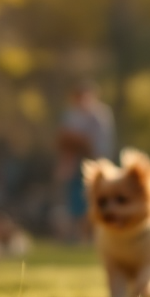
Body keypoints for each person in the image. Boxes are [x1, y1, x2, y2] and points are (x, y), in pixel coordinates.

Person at [58, 81, 116, 242]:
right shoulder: (70, 115)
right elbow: (65, 142)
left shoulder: (101, 115)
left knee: (95, 201)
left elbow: (103, 144)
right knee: (75, 201)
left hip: (95, 165)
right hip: (75, 165)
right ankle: (76, 237)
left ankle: (93, 236)